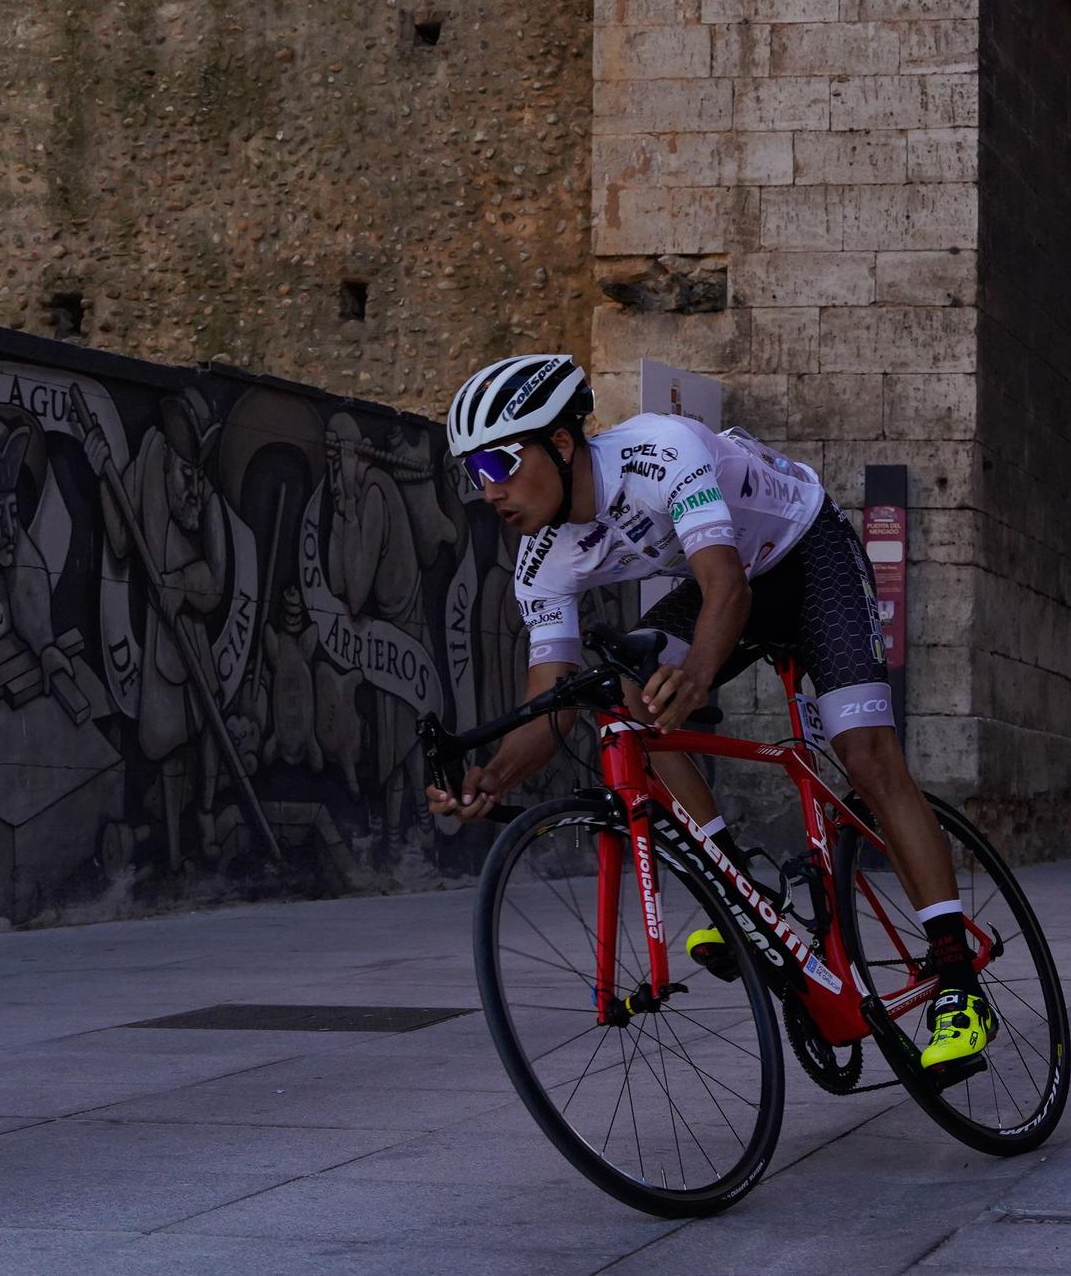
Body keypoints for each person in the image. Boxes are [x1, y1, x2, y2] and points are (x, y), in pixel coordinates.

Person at [424, 354, 992, 1070]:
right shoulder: (542, 562)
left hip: (805, 555)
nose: (489, 490)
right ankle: (739, 884)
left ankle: (957, 977)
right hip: (727, 584)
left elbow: (726, 586)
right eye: (473, 474)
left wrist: (694, 676)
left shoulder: (662, 452)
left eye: (499, 464)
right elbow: (552, 700)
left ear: (561, 442)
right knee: (617, 690)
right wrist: (493, 776)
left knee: (867, 754)